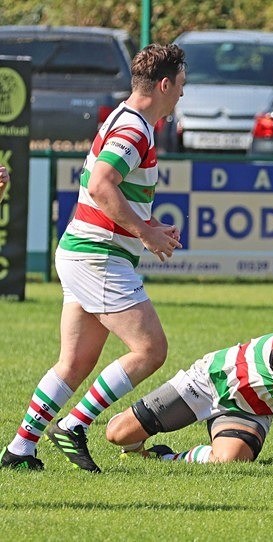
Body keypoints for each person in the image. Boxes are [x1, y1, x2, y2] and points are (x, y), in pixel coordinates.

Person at [1, 44, 186, 472]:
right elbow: (102, 184)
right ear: (163, 84)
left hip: (84, 251)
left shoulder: (125, 119)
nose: (182, 94)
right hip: (98, 256)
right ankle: (74, 425)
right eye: (180, 85)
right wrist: (145, 232)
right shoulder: (134, 129)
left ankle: (19, 449)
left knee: (75, 362)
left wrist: (150, 224)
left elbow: (102, 185)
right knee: (150, 349)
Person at [104, 323, 273, 464]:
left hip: (253, 409)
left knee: (230, 459)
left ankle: (163, 456)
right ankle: (133, 440)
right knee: (116, 435)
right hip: (209, 383)